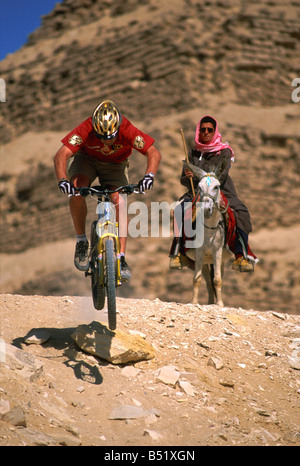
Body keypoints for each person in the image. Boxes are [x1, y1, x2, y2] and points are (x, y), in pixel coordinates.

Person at [54, 100, 161, 279]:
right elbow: (61, 154)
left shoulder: (127, 129)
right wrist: (62, 180)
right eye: (101, 136)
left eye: (110, 137)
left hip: (115, 164)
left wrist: (149, 175)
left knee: (119, 200)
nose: (106, 140)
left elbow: (153, 152)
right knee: (77, 191)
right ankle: (81, 241)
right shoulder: (86, 128)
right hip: (86, 160)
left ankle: (121, 256)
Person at [169, 115, 254, 272]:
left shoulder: (224, 153)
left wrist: (204, 181)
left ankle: (241, 256)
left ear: (215, 132)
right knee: (180, 210)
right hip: (197, 191)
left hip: (221, 190)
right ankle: (179, 253)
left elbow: (221, 176)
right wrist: (188, 177)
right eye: (203, 130)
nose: (206, 132)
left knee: (241, 212)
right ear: (198, 132)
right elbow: (183, 180)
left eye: (210, 130)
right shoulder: (192, 154)